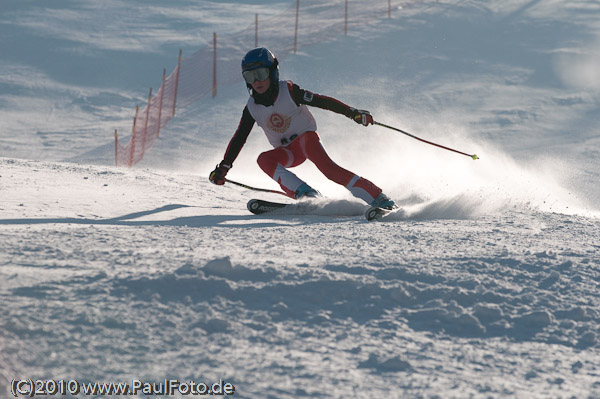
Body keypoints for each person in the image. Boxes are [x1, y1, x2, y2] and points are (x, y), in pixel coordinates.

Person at [209, 47, 395, 210]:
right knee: (264, 160)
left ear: (272, 72)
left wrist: (351, 112)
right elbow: (239, 138)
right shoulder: (252, 108)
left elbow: (322, 101)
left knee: (329, 170)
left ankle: (378, 198)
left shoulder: (289, 91)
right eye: (250, 76)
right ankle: (306, 195)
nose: (256, 81)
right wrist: (224, 167)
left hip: (307, 141)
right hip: (288, 152)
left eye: (261, 74)